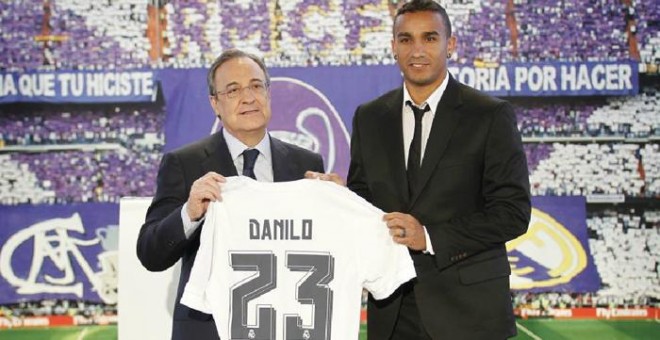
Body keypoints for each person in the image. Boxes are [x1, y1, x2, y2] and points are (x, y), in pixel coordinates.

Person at [347, 1, 531, 339]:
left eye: (430, 38)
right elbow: (363, 199)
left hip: (470, 315)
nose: (417, 50)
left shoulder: (490, 115)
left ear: (451, 44)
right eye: (406, 39)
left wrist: (428, 237)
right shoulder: (369, 117)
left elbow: (513, 213)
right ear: (393, 47)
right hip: (393, 310)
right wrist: (337, 196)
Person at [136, 49, 325, 340]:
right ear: (215, 103)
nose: (248, 97)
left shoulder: (307, 165)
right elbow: (151, 253)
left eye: (256, 86)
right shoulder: (184, 163)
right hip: (209, 330)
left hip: (285, 327)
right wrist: (189, 212)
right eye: (233, 90)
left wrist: (334, 203)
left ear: (268, 93)